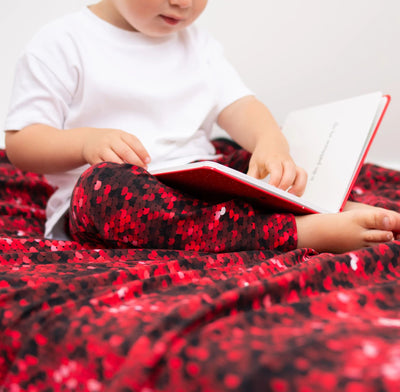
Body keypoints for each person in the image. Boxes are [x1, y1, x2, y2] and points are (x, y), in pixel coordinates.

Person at [4, 0, 400, 253]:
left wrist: (270, 143)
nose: (184, 3)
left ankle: (316, 205)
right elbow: (22, 143)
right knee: (104, 188)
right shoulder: (62, 42)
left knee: (245, 156)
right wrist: (85, 142)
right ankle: (296, 232)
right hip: (117, 197)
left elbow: (241, 105)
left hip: (197, 180)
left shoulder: (197, 44)